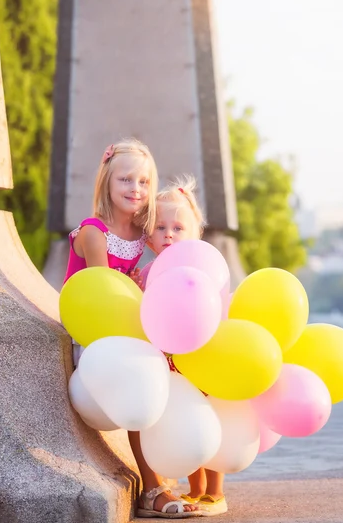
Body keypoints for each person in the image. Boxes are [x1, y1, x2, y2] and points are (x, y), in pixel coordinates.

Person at [63, 139, 201, 518]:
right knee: (141, 380)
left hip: (127, 330)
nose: (135, 189)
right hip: (95, 336)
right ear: (107, 180)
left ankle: (175, 474)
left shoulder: (143, 232)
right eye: (125, 179)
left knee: (170, 369)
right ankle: (152, 487)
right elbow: (103, 297)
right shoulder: (94, 232)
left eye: (143, 181)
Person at [141, 176, 228, 517]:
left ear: (196, 235)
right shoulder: (148, 272)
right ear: (148, 235)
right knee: (185, 420)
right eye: (160, 227)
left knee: (209, 416)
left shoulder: (204, 267)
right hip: (170, 361)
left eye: (178, 228)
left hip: (202, 357)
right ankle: (196, 488)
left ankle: (215, 491)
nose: (168, 234)